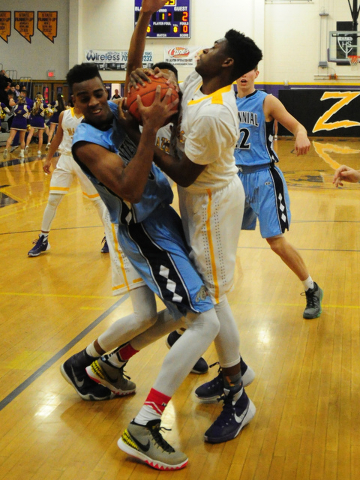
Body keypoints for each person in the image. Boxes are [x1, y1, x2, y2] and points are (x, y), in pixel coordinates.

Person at [60, 57, 224, 470]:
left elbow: (134, 70)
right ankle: (143, 426)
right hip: (144, 231)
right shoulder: (86, 142)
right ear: (72, 102)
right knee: (205, 322)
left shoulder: (116, 109)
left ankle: (110, 364)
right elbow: (131, 189)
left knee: (172, 316)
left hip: (161, 222)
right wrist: (150, 126)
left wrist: (146, 16)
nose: (96, 101)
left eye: (100, 92)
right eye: (84, 97)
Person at [120, 0, 263, 445]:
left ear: (228, 62)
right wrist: (144, 20)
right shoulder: (197, 89)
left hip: (215, 204)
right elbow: (136, 77)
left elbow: (183, 172)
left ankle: (239, 396)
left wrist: (147, 132)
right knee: (212, 298)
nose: (203, 48)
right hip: (199, 201)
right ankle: (235, 372)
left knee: (211, 302)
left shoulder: (216, 111)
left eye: (214, 46)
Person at [232, 66, 323, 320]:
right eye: (240, 69)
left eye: (248, 70)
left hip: (264, 177)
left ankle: (311, 288)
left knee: (275, 241)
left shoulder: (266, 101)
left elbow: (297, 126)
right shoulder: (225, 101)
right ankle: (212, 294)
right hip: (234, 177)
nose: (244, 74)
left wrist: (302, 135)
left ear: (256, 74)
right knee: (223, 237)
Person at [27, 101, 110, 257]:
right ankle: (43, 238)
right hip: (65, 159)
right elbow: (58, 137)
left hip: (85, 161)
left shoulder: (92, 116)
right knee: (53, 199)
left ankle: (109, 236)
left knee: (97, 201)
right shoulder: (64, 115)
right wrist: (48, 158)